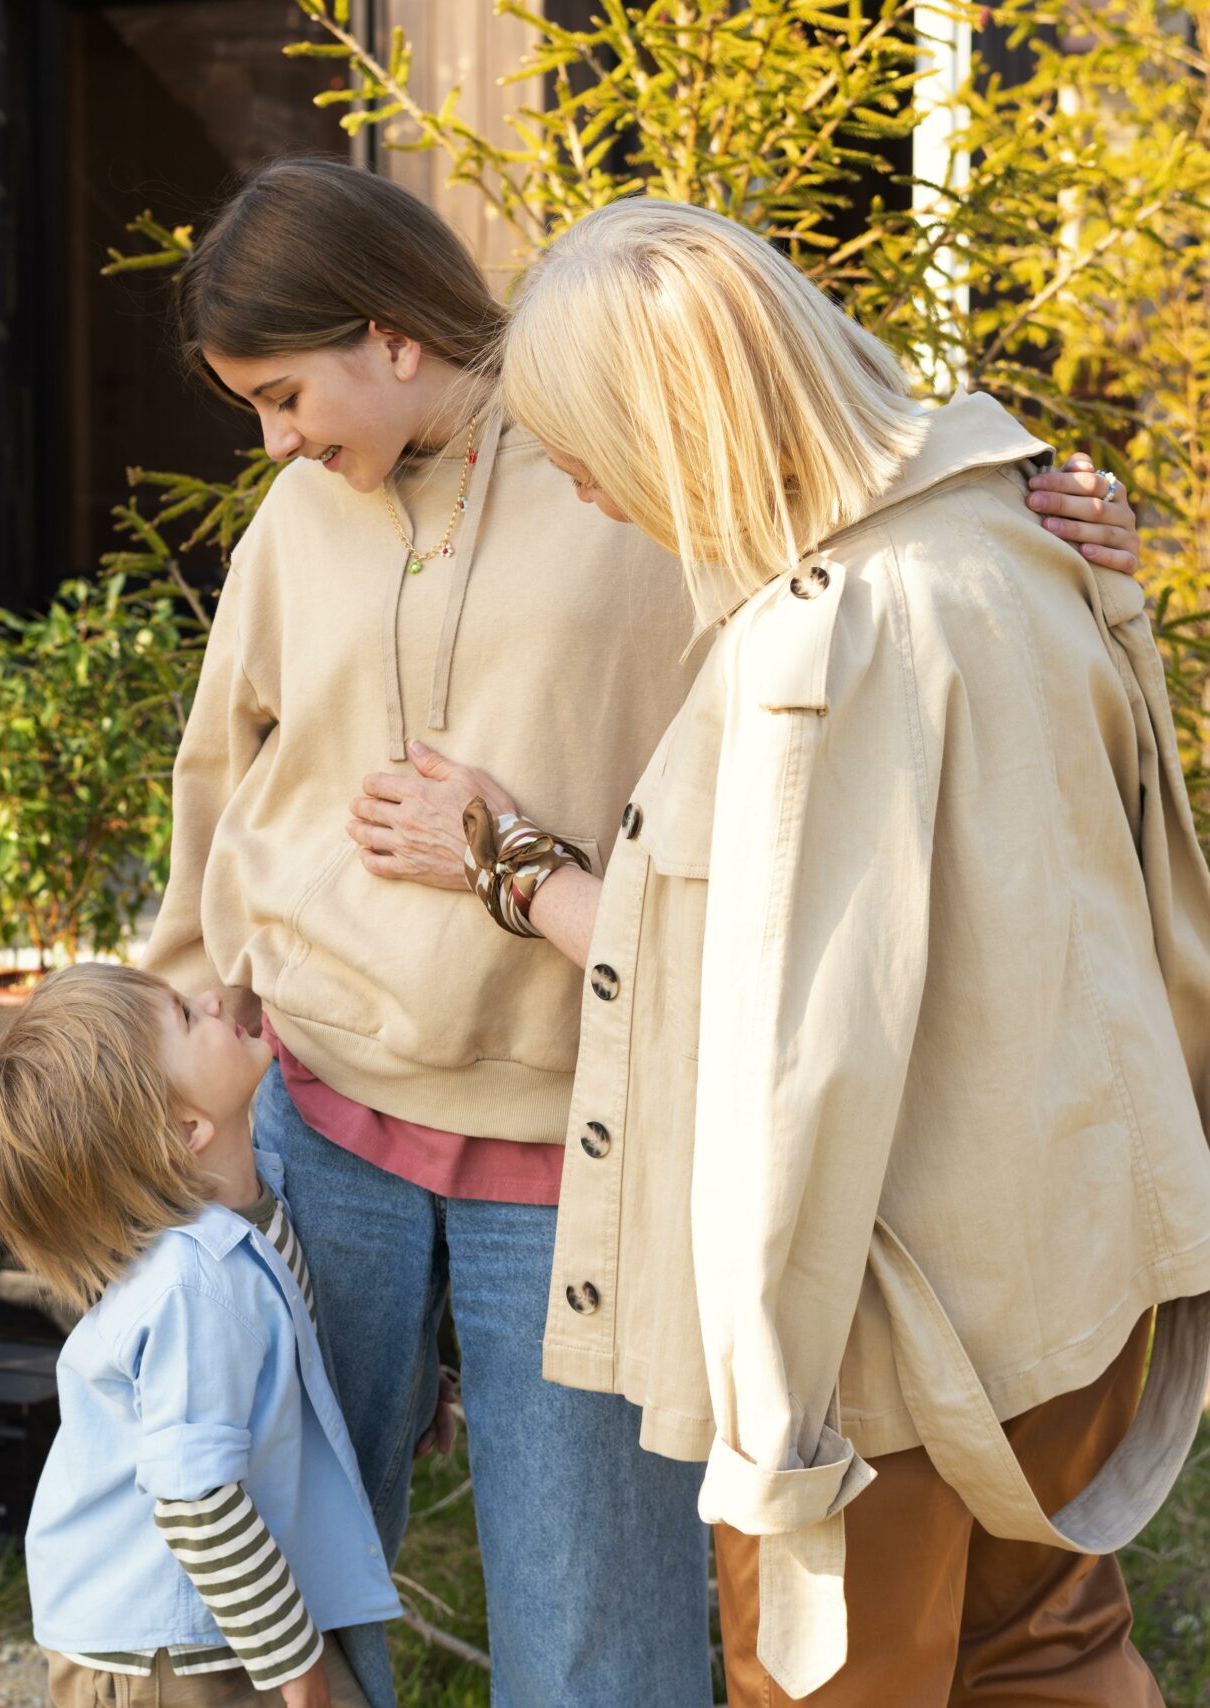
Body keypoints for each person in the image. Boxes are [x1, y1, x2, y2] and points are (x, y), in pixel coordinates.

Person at [140, 158, 1146, 1708]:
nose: (275, 443)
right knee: (277, 1587)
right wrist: (165, 1048)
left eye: (285, 395)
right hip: (322, 1119)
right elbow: (226, 777)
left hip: (578, 1144)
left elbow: (801, 869)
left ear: (391, 337)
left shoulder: (660, 483)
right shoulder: (298, 520)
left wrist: (1051, 529)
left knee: (599, 1637)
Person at [0, 963, 404, 1708]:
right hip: (166, 1647)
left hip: (205, 1621)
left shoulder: (249, 1212)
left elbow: (280, 1340)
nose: (213, 996)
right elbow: (197, 1504)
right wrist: (300, 1675)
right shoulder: (192, 1289)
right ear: (187, 1131)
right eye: (187, 1018)